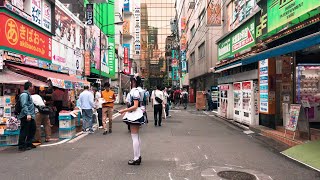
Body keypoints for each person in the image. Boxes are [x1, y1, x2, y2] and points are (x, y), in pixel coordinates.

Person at [119, 74, 145, 165]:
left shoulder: (135, 91)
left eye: (131, 81)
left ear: (133, 82)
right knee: (136, 136)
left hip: (135, 114)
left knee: (134, 137)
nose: (130, 82)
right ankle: (138, 156)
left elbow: (135, 106)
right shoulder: (140, 90)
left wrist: (124, 110)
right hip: (138, 113)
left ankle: (136, 158)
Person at [18, 82, 36, 151]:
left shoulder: (28, 94)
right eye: (32, 86)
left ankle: (29, 143)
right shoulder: (24, 95)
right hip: (26, 116)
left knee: (32, 129)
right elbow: (24, 105)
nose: (33, 88)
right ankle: (21, 145)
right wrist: (28, 114)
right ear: (29, 87)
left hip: (30, 116)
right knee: (24, 131)